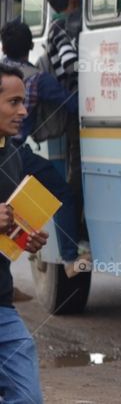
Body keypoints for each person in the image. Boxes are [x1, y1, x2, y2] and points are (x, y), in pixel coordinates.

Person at [1, 21, 87, 277]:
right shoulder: (37, 78)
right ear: (30, 46)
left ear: (3, 47)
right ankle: (70, 258)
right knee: (60, 191)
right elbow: (71, 105)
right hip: (15, 152)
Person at [0, 63, 49, 402]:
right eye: (14, 102)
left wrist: (24, 237)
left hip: (1, 306)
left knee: (27, 397)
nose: (24, 110)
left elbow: (6, 230)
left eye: (23, 102)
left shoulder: (14, 156)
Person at [45, 0, 83, 209]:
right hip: (75, 99)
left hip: (72, 101)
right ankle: (75, 218)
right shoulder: (60, 27)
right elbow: (70, 64)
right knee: (77, 165)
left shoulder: (56, 25)